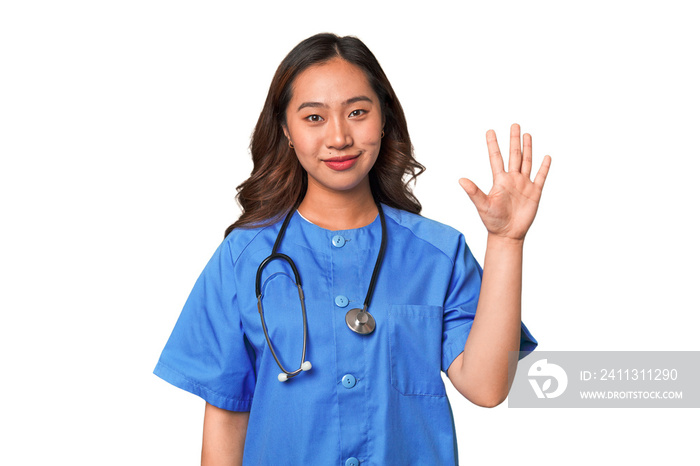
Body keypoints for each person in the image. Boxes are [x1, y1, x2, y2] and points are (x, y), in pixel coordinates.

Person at [154, 32, 551, 465]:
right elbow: (227, 418)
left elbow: (487, 387)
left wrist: (506, 242)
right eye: (314, 118)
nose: (339, 137)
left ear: (383, 119)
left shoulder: (438, 254)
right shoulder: (242, 258)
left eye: (357, 112)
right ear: (286, 130)